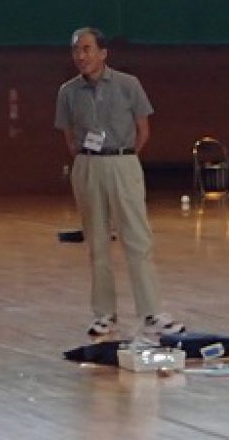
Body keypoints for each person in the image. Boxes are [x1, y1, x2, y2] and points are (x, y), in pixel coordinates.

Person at [54, 27, 184, 342]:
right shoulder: (68, 92)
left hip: (123, 161)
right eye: (76, 50)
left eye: (86, 49)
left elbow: (143, 130)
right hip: (87, 166)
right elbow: (68, 135)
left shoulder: (128, 85)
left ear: (103, 52)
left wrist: (123, 157)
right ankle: (104, 314)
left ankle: (151, 312)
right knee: (97, 241)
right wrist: (87, 158)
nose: (81, 56)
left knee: (137, 238)